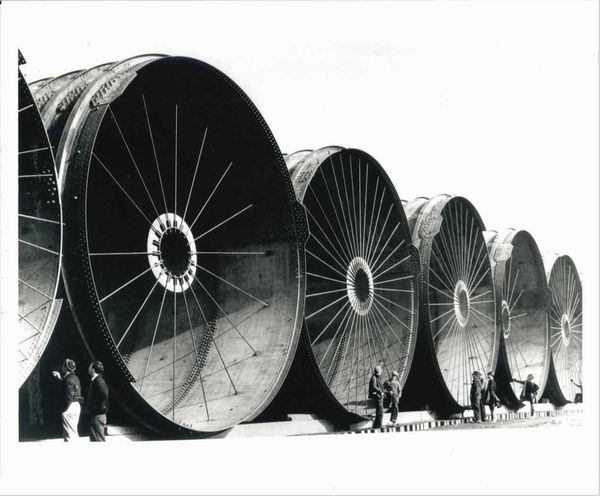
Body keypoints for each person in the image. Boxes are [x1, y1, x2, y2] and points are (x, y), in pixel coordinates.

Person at [52, 358, 83, 441]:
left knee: (69, 435)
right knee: (73, 432)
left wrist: (64, 410)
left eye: (63, 366)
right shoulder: (75, 378)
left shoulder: (68, 380)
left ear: (65, 368)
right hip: (76, 405)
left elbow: (68, 396)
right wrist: (60, 378)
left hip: (69, 407)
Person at [87, 360, 109, 442]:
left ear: (93, 369)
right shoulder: (96, 380)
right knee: (95, 441)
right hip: (96, 416)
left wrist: (97, 407)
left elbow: (104, 394)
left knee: (99, 442)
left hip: (97, 416)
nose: (88, 368)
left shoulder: (98, 381)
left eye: (89, 367)